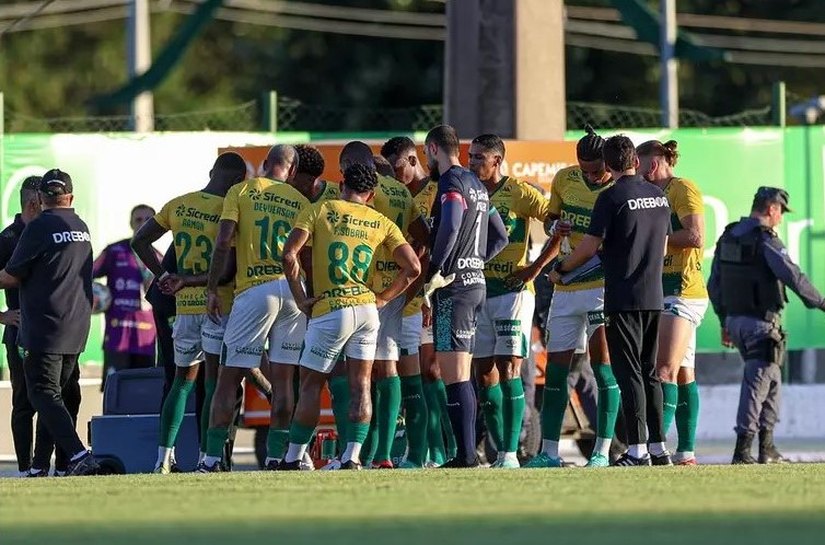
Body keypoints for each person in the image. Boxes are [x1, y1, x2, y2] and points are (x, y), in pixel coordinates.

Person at [280, 163, 421, 470]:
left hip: (331, 308)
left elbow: (289, 254)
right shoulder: (380, 220)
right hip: (367, 311)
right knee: (362, 385)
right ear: (371, 194)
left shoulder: (321, 209)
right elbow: (413, 267)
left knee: (310, 386)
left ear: (342, 183)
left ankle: (292, 458)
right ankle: (353, 457)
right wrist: (383, 298)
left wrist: (301, 298)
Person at [549, 135, 672, 466]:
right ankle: (660, 449)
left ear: (608, 164)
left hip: (622, 296)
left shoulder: (611, 197)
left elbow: (589, 246)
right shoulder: (658, 195)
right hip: (653, 294)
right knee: (650, 373)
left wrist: (562, 268)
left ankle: (636, 451)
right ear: (633, 159)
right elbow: (661, 247)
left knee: (628, 373)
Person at [131, 152, 246, 473]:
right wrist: (191, 280)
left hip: (184, 309)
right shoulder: (230, 210)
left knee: (181, 383)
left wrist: (164, 276)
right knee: (214, 385)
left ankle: (163, 459)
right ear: (238, 181)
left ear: (212, 172)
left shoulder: (179, 204)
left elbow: (139, 241)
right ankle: (205, 459)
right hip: (217, 307)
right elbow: (226, 272)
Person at [198, 145, 309, 473]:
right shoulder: (300, 201)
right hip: (291, 290)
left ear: (264, 165)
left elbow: (222, 241)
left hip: (254, 291)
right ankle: (277, 456)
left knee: (227, 377)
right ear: (291, 171)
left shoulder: (241, 190)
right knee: (285, 380)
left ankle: (211, 459)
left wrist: (212, 288)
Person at [708, 187, 825, 464]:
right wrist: (820, 302)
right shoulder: (765, 240)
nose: (781, 219)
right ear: (772, 208)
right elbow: (792, 276)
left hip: (735, 322)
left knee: (771, 380)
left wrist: (725, 320)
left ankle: (767, 447)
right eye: (781, 212)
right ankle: (743, 450)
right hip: (760, 323)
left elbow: (714, 284)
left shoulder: (728, 235)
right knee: (758, 383)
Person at [526, 128, 619, 469]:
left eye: (596, 170)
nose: (590, 176)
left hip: (600, 288)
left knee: (602, 370)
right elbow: (551, 216)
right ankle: (549, 453)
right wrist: (555, 226)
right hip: (565, 290)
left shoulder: (617, 189)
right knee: (556, 372)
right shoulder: (566, 179)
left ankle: (602, 453)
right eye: (584, 169)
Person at [0, 169, 99, 476]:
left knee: (41, 393)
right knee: (54, 395)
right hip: (77, 327)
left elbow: (10, 276)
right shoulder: (80, 226)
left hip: (45, 327)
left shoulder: (40, 227)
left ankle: (78, 453)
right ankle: (40, 466)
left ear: (41, 199)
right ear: (70, 196)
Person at [338, 141, 429, 469]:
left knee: (355, 370)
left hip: (354, 288)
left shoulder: (344, 193)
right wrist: (410, 285)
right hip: (391, 291)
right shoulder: (400, 192)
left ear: (348, 165)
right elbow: (424, 237)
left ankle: (353, 451)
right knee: (387, 366)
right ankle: (383, 454)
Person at [422, 124, 508, 468]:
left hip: (454, 287)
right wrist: (475, 261)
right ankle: (467, 453)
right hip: (475, 283)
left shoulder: (451, 182)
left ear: (432, 149)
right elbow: (500, 236)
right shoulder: (478, 185)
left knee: (455, 373)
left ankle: (466, 455)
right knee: (463, 371)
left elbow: (453, 224)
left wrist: (437, 269)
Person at [467, 134, 552, 468]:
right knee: (484, 373)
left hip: (514, 294)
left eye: (478, 158)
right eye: (470, 157)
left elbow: (557, 225)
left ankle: (510, 453)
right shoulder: (468, 191)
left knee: (510, 368)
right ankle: (499, 447)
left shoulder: (519, 191)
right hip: (477, 291)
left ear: (497, 161)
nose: (471, 163)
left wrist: (535, 268)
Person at [381, 135, 454, 466]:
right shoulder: (398, 196)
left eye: (398, 167)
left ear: (413, 159)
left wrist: (428, 293)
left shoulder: (436, 191)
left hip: (431, 295)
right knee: (414, 372)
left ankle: (444, 449)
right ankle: (425, 450)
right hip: (404, 296)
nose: (396, 176)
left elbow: (432, 249)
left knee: (432, 370)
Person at [637, 140, 708, 466]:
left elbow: (695, 236)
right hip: (660, 290)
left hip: (682, 291)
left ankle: (654, 449)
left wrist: (653, 241)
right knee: (682, 373)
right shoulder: (647, 192)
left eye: (638, 164)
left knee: (662, 368)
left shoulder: (682, 188)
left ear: (652, 164)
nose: (635, 170)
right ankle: (686, 453)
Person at [0, 175, 55, 477]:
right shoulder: (8, 239)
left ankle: (42, 466)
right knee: (24, 402)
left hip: (51, 332)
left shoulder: (50, 232)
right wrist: (3, 316)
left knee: (51, 397)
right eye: (47, 199)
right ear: (34, 202)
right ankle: (24, 468)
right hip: (20, 333)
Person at [94, 204, 159, 391]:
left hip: (146, 337)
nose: (143, 224)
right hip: (118, 335)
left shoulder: (160, 258)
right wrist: (93, 299)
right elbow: (86, 275)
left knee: (142, 393)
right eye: (138, 219)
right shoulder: (114, 251)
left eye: (148, 220)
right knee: (114, 391)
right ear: (130, 222)